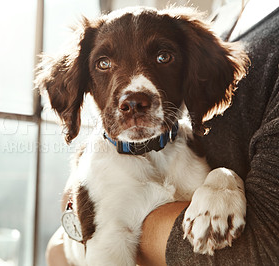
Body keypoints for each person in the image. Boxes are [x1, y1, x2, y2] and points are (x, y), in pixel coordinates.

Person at [46, 0, 279, 264]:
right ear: (83, 82)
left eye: (162, 57)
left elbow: (263, 247)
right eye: (103, 63)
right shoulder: (227, 15)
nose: (133, 98)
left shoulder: (198, 165)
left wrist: (224, 181)